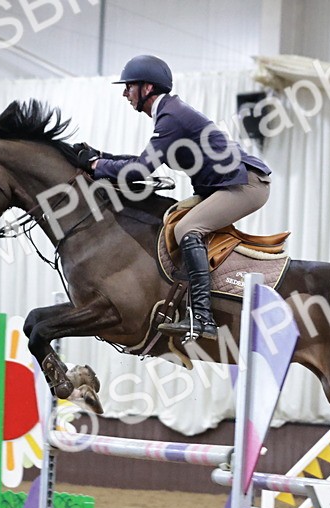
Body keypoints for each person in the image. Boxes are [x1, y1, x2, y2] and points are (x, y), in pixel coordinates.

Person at [86, 55, 272, 340]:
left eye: (129, 87)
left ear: (147, 88)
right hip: (230, 183)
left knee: (187, 228)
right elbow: (140, 161)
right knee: (172, 218)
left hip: (246, 185)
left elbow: (139, 170)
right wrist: (102, 159)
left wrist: (97, 167)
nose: (124, 93)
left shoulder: (171, 117)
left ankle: (202, 318)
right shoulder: (169, 113)